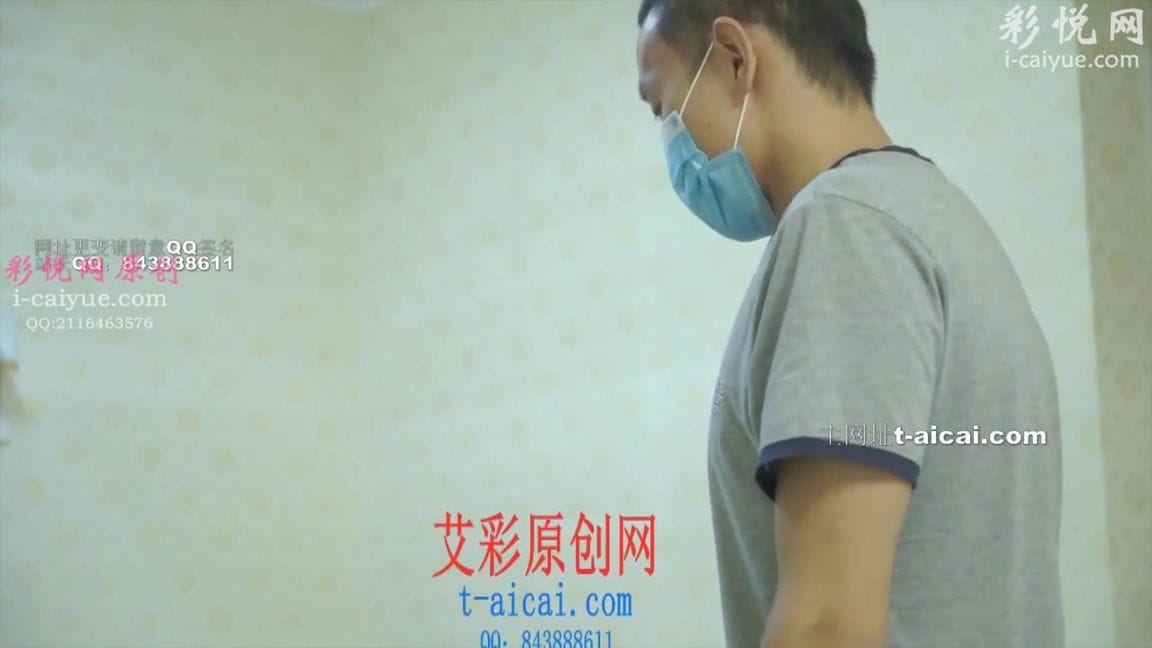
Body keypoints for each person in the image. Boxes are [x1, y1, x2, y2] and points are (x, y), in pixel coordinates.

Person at [634, 1, 1065, 647]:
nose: (672, 143)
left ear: (734, 58)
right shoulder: (938, 221)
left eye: (663, 108)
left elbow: (828, 626)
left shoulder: (846, 226)